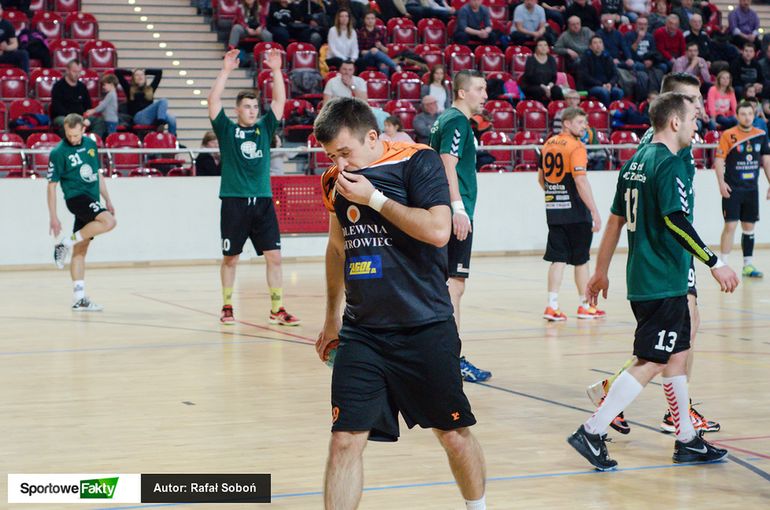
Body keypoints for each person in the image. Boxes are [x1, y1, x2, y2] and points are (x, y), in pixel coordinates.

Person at [314, 96, 487, 510]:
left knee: (453, 436)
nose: (340, 164)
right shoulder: (335, 180)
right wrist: (332, 318)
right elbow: (338, 248)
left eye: (345, 152)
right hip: (363, 332)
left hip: (425, 327)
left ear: (372, 137)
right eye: (331, 156)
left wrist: (374, 199)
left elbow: (439, 230)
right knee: (344, 440)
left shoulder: (418, 161)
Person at [568, 92, 739, 471]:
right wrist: (715, 262)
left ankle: (686, 439)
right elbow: (675, 221)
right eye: (693, 119)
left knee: (676, 355)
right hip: (661, 278)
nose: (697, 126)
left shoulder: (635, 162)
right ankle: (591, 431)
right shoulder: (668, 164)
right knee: (652, 360)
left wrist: (601, 270)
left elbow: (617, 219)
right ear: (675, 122)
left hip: (649, 277)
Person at [207, 48, 300, 326]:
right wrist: (226, 70)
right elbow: (213, 101)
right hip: (234, 202)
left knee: (275, 257)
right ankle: (227, 306)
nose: (252, 111)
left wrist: (276, 70)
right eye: (247, 107)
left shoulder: (264, 129)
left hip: (263, 202)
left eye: (255, 107)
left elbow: (280, 101)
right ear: (238, 109)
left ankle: (277, 309)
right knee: (231, 259)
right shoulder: (227, 130)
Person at [429, 69, 492, 383]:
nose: (485, 95)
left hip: (445, 207)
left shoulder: (447, 119)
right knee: (455, 285)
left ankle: (441, 356)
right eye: (480, 89)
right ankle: (451, 359)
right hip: (455, 209)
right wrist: (458, 208)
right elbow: (447, 162)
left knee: (448, 285)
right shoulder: (457, 121)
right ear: (462, 92)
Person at [538, 107, 604, 321]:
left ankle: (552, 305)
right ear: (566, 123)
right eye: (580, 122)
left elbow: (541, 179)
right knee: (581, 260)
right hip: (576, 212)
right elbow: (580, 180)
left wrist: (556, 196)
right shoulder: (576, 147)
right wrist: (594, 210)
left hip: (554, 211)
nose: (584, 127)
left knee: (557, 259)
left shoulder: (548, 144)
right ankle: (585, 305)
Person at [48, 114, 117, 311]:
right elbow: (51, 186)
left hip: (92, 198)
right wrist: (53, 217)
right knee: (109, 222)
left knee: (81, 249)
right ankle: (65, 243)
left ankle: (79, 299)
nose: (72, 139)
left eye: (76, 135)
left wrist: (107, 199)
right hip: (76, 197)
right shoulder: (58, 152)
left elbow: (97, 174)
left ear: (83, 130)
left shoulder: (90, 144)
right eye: (69, 135)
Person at [715, 101, 770, 278]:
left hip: (751, 190)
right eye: (743, 114)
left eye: (750, 114)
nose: (747, 117)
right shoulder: (728, 135)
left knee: (749, 227)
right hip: (732, 189)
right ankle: (723, 264)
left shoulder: (761, 134)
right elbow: (719, 160)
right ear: (737, 116)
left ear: (754, 115)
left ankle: (748, 265)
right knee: (730, 225)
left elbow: (766, 161)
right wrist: (721, 183)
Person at [52, 60, 107, 139]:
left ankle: (92, 143)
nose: (77, 74)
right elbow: (57, 107)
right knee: (64, 122)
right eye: (74, 71)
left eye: (79, 72)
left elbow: (88, 105)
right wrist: (73, 119)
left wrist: (85, 116)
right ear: (67, 71)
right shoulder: (58, 86)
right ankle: (73, 143)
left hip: (81, 117)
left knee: (99, 121)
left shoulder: (82, 87)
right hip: (64, 117)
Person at [116, 67, 177, 135]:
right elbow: (117, 72)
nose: (140, 77)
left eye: (142, 75)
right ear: (133, 78)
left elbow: (159, 72)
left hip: (150, 117)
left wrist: (146, 72)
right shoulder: (129, 89)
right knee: (163, 100)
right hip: (138, 118)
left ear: (145, 77)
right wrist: (131, 73)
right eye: (137, 75)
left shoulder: (150, 89)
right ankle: (160, 124)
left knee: (172, 118)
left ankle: (172, 139)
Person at [578, 36, 624, 106]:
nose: (598, 45)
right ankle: (606, 110)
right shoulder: (585, 58)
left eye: (600, 42)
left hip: (607, 85)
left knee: (618, 92)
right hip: (591, 86)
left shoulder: (608, 57)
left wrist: (610, 84)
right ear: (590, 46)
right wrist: (601, 85)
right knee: (603, 92)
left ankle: (614, 109)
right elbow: (585, 76)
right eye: (595, 43)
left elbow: (616, 74)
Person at [521, 38, 564, 104]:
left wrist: (549, 87)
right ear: (536, 48)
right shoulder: (531, 59)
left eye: (545, 45)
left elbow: (554, 77)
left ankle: (555, 107)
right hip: (532, 85)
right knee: (539, 91)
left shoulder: (551, 59)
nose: (543, 47)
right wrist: (543, 87)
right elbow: (530, 77)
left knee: (557, 90)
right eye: (540, 45)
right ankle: (540, 108)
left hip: (547, 85)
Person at [356, 10, 399, 76]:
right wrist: (371, 51)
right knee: (374, 50)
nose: (370, 20)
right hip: (366, 58)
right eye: (368, 18)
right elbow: (360, 51)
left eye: (372, 18)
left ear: (375, 20)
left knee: (384, 66)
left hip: (379, 58)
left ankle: (385, 81)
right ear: (364, 20)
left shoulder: (380, 31)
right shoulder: (360, 33)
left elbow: (386, 51)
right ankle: (395, 66)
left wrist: (381, 46)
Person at [0, 5, 29, 73]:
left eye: (0, 8)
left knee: (23, 54)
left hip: (4, 53)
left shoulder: (7, 25)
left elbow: (15, 44)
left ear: (2, 11)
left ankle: (24, 77)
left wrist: (6, 48)